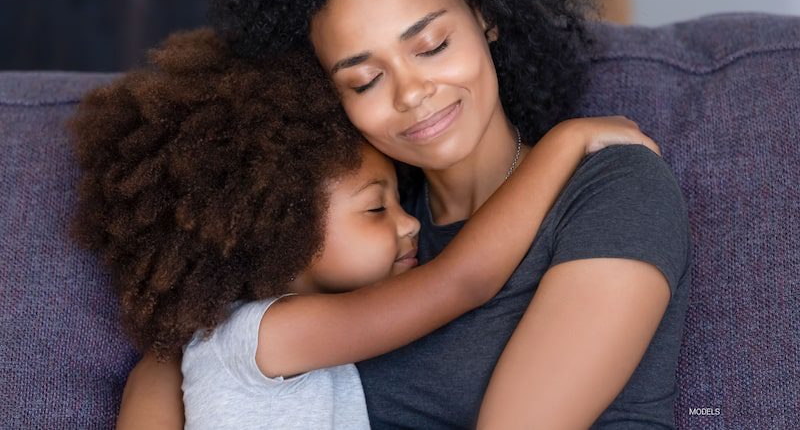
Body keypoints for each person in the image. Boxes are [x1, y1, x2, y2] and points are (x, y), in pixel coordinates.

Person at [121, 0, 691, 428]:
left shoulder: (614, 188)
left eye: (433, 45)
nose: (411, 92)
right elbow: (185, 351)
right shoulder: (363, 223)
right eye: (365, 80)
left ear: (485, 16)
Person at [70, 28, 657, 429]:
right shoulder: (269, 335)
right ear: (283, 234)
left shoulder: (221, 345)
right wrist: (565, 142)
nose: (409, 225)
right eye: (376, 210)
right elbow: (462, 281)